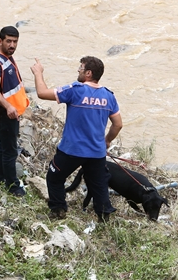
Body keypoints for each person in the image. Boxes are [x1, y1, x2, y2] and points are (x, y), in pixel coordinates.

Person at [31, 56, 123, 221]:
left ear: (88, 73)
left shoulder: (74, 90)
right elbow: (118, 124)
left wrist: (38, 73)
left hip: (72, 150)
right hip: (96, 152)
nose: (78, 71)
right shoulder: (108, 96)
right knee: (99, 184)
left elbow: (42, 93)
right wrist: (107, 141)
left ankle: (58, 210)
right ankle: (104, 217)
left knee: (54, 177)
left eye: (80, 68)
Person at [0, 25, 30, 197]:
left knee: (4, 147)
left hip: (9, 112)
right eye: (8, 41)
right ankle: (13, 186)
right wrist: (9, 106)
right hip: (5, 113)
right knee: (10, 150)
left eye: (15, 42)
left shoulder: (6, 57)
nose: (12, 45)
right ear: (0, 41)